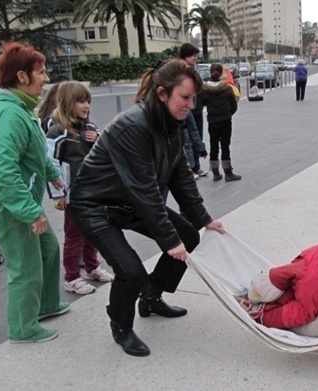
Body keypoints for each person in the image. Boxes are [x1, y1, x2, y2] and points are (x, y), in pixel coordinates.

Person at [68, 59, 226, 357]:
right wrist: (169, 241)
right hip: (95, 205)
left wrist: (204, 220)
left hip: (129, 202)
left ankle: (150, 299)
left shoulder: (173, 125)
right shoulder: (133, 126)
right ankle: (122, 327)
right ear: (163, 94)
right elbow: (145, 190)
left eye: (193, 98)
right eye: (185, 97)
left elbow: (181, 177)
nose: (190, 105)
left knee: (189, 236)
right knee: (131, 271)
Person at [0, 42, 69, 344]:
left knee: (49, 251)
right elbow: (2, 170)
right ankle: (23, 328)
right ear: (22, 77)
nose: (46, 78)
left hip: (23, 199)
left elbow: (33, 151)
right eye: (41, 72)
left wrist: (53, 176)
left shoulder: (20, 109)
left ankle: (46, 305)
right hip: (13, 205)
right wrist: (29, 211)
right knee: (26, 267)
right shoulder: (9, 114)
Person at [46, 81, 114, 295]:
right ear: (68, 103)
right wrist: (58, 194)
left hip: (94, 192)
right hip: (73, 194)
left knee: (93, 232)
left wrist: (99, 140)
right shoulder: (58, 132)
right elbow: (50, 164)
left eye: (88, 101)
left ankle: (92, 267)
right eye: (81, 101)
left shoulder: (91, 127)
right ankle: (72, 276)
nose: (86, 106)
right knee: (74, 235)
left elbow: (107, 151)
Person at [247, 244, 318, 329]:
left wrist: (263, 317)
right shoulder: (313, 252)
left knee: (296, 304)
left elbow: (290, 316)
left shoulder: (307, 297)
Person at [197, 63, 241, 182]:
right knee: (225, 146)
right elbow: (234, 106)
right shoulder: (226, 88)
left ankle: (215, 172)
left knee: (213, 145)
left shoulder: (204, 89)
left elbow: (200, 106)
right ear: (222, 73)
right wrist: (227, 114)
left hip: (212, 121)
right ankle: (228, 172)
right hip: (225, 120)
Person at [179, 43, 207, 178]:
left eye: (196, 55)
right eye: (193, 55)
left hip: (197, 109)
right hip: (187, 110)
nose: (195, 58)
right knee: (188, 139)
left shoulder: (193, 70)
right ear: (185, 56)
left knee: (197, 137)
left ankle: (196, 166)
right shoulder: (180, 71)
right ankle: (191, 167)